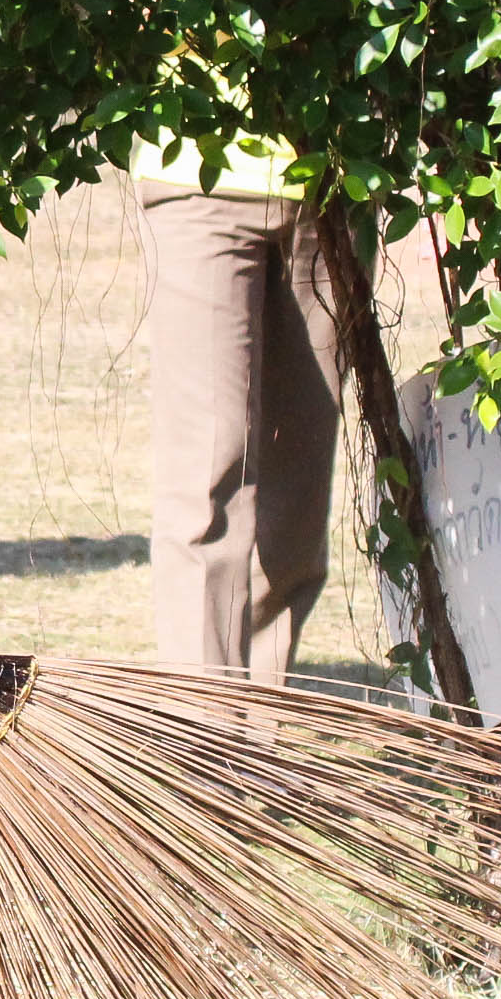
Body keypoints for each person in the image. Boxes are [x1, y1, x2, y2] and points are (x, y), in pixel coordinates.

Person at [134, 136, 350, 685]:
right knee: (207, 477)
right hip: (198, 178)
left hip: (334, 180)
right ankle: (204, 744)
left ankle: (258, 735)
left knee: (298, 499)